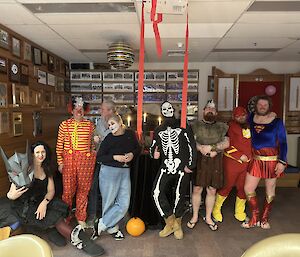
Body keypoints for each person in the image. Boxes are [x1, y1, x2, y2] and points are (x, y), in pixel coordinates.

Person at [6, 141, 104, 256]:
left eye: (43, 152)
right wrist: (12, 195)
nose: (41, 155)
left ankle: (77, 238)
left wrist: (44, 203)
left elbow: (51, 191)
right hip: (26, 205)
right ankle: (75, 240)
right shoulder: (24, 169)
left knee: (58, 226)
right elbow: (10, 194)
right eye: (37, 152)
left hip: (42, 200)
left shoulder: (46, 168)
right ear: (32, 154)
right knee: (56, 222)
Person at [150, 101, 197, 240]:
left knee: (179, 194)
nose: (167, 110)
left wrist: (191, 164)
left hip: (182, 166)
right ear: (161, 112)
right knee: (155, 192)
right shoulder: (159, 130)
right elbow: (154, 146)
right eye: (164, 109)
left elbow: (191, 146)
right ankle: (170, 222)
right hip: (166, 166)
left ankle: (178, 222)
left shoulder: (183, 127)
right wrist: (154, 153)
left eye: (170, 108)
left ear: (174, 110)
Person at [92, 114, 141, 240]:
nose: (111, 126)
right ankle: (113, 228)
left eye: (112, 123)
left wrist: (132, 154)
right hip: (109, 172)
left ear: (120, 122)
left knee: (124, 202)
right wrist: (114, 157)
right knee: (108, 202)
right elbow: (99, 157)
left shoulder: (130, 134)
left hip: (124, 171)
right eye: (109, 125)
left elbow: (138, 148)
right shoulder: (108, 139)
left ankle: (101, 224)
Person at [242, 95, 287, 229]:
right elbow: (238, 119)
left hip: (272, 160)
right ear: (256, 106)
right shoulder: (250, 118)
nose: (262, 107)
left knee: (270, 190)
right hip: (256, 159)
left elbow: (283, 142)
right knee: (248, 188)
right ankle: (255, 217)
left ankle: (264, 219)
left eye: (265, 105)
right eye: (260, 105)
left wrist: (282, 162)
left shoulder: (277, 121)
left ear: (269, 106)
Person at [187, 100, 229, 231]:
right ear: (203, 111)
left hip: (215, 161)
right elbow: (190, 141)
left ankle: (208, 217)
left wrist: (213, 148)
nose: (210, 111)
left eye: (212, 109)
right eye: (208, 109)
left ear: (216, 113)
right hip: (199, 160)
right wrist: (200, 148)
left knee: (212, 190)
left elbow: (227, 142)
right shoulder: (195, 125)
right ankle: (194, 216)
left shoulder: (223, 127)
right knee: (197, 189)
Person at [56, 96, 96, 228]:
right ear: (71, 110)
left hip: (85, 162)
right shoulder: (64, 125)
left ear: (85, 110)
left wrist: (93, 152)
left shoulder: (90, 125)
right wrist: (60, 162)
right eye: (76, 109)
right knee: (68, 191)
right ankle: (66, 217)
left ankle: (81, 217)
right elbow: (59, 146)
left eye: (81, 109)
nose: (79, 112)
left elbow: (93, 145)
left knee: (84, 191)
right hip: (69, 161)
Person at [212, 106, 252, 223]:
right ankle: (216, 209)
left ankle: (240, 212)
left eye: (243, 115)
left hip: (247, 164)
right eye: (238, 116)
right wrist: (239, 155)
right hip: (232, 163)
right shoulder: (228, 127)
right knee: (226, 187)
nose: (241, 118)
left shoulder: (251, 126)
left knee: (243, 188)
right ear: (234, 117)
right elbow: (225, 144)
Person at [87, 100, 116, 226]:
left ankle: (110, 217)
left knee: (110, 189)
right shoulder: (98, 123)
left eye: (103, 109)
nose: (100, 111)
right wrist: (94, 141)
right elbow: (93, 144)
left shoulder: (117, 123)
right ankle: (93, 214)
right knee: (94, 187)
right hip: (98, 161)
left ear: (110, 111)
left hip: (112, 163)